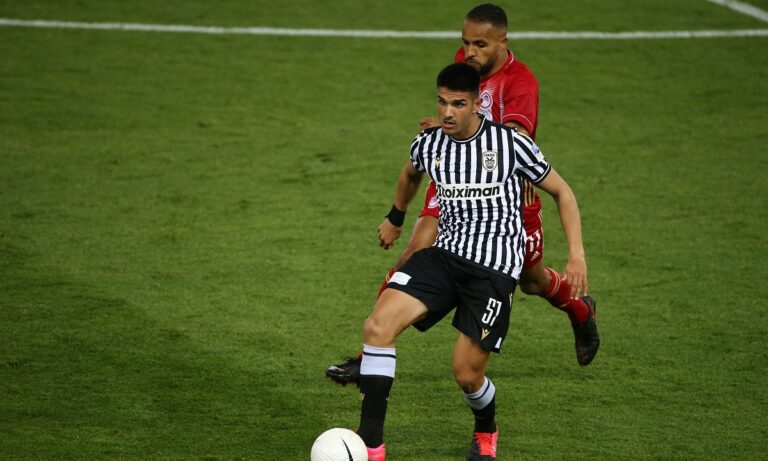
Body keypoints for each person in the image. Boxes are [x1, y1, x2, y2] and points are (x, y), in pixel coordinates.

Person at [326, 3, 599, 389]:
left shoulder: (520, 83)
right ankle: (368, 356)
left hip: (504, 196)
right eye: (465, 42)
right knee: (412, 255)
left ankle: (580, 309)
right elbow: (456, 108)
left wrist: (454, 128)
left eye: (480, 45)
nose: (469, 52)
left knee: (531, 280)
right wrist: (445, 131)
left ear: (503, 43)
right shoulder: (468, 63)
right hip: (453, 182)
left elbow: (512, 140)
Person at [354, 62, 588, 461]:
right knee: (377, 326)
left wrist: (576, 254)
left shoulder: (509, 145)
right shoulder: (429, 143)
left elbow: (562, 191)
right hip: (445, 256)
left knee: (466, 374)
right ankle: (371, 446)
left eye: (458, 104)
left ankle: (486, 428)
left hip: (493, 269)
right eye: (442, 102)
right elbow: (410, 174)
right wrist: (395, 216)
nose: (447, 113)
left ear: (477, 103)